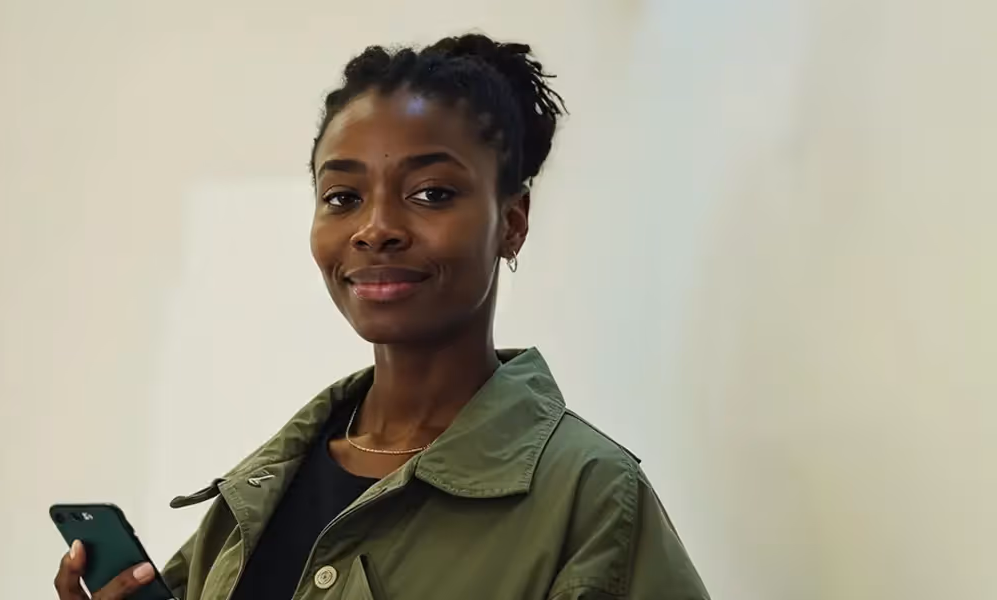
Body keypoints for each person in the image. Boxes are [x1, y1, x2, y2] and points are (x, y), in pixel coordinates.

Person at [54, 33, 709, 600]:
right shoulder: (266, 487)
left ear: (512, 223)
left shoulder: (591, 501)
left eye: (431, 193)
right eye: (342, 196)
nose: (375, 229)